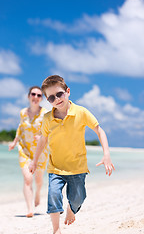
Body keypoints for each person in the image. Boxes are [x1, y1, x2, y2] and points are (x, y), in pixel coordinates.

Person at [29, 75, 115, 234]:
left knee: (78, 198)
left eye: (59, 94)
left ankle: (71, 209)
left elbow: (99, 130)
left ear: (67, 92)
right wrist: (34, 161)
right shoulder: (47, 118)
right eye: (51, 97)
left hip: (77, 168)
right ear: (48, 100)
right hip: (55, 167)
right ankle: (56, 230)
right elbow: (42, 140)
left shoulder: (81, 112)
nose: (57, 99)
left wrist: (106, 154)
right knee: (54, 195)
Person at [9, 86, 49, 218]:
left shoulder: (46, 113)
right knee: (28, 178)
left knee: (38, 180)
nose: (36, 97)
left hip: (40, 153)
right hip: (25, 150)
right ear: (28, 96)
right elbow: (20, 128)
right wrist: (14, 142)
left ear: (41, 98)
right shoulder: (23, 112)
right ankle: (30, 209)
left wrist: (43, 137)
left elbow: (50, 131)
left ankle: (37, 193)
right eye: (33, 94)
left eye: (39, 95)